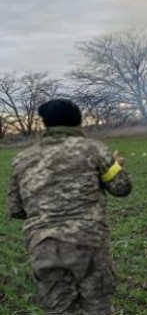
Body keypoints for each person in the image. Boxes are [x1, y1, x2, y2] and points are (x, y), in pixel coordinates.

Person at [5, 98, 132, 314]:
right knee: (97, 306)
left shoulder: (22, 160)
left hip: (43, 246)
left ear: (45, 123)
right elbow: (121, 188)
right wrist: (116, 166)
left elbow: (15, 209)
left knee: (59, 309)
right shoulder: (93, 149)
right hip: (87, 241)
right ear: (78, 121)